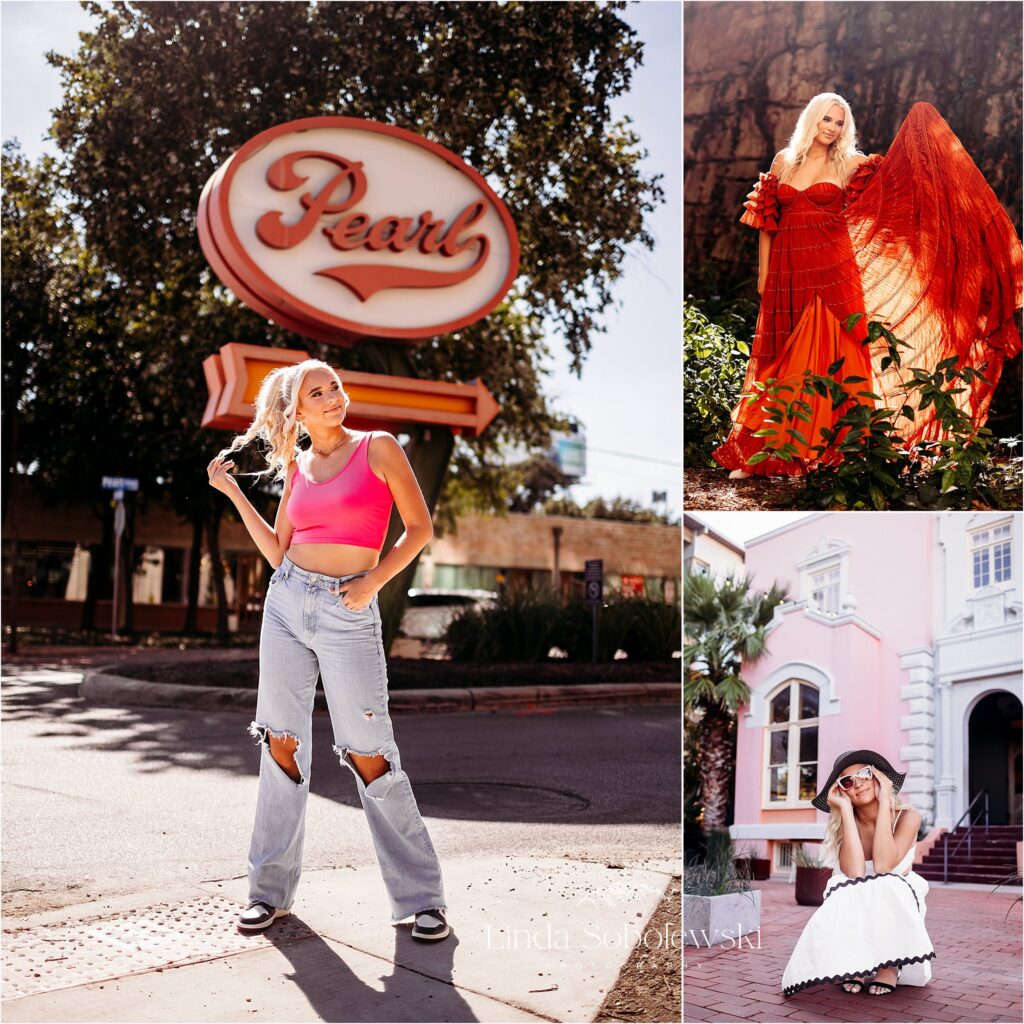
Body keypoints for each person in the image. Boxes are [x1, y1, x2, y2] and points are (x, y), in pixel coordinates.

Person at [206, 358, 449, 942]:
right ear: (299, 411)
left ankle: (421, 899)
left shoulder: (379, 447)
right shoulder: (297, 466)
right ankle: (268, 892)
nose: (335, 397)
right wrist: (233, 491)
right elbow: (275, 550)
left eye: (335, 386)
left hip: (349, 609)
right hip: (288, 602)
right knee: (281, 744)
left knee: (370, 753)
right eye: (320, 392)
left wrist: (373, 583)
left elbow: (419, 529)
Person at [713, 93, 1023, 479]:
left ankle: (837, 452)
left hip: (833, 269)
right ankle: (768, 450)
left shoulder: (851, 164)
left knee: (835, 356)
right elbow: (767, 220)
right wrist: (764, 272)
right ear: (812, 119)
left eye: (839, 122)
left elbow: (900, 188)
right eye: (826, 119)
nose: (831, 127)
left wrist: (922, 126)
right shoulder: (783, 161)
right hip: (787, 270)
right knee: (781, 355)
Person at [781, 750, 935, 996]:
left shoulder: (908, 816)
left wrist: (885, 800)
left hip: (898, 899)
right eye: (847, 781)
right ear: (842, 791)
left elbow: (885, 866)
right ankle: (857, 961)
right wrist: (844, 811)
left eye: (865, 773)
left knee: (887, 883)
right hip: (858, 904)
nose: (859, 783)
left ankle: (891, 965)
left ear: (878, 778)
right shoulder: (847, 825)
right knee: (845, 885)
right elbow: (854, 872)